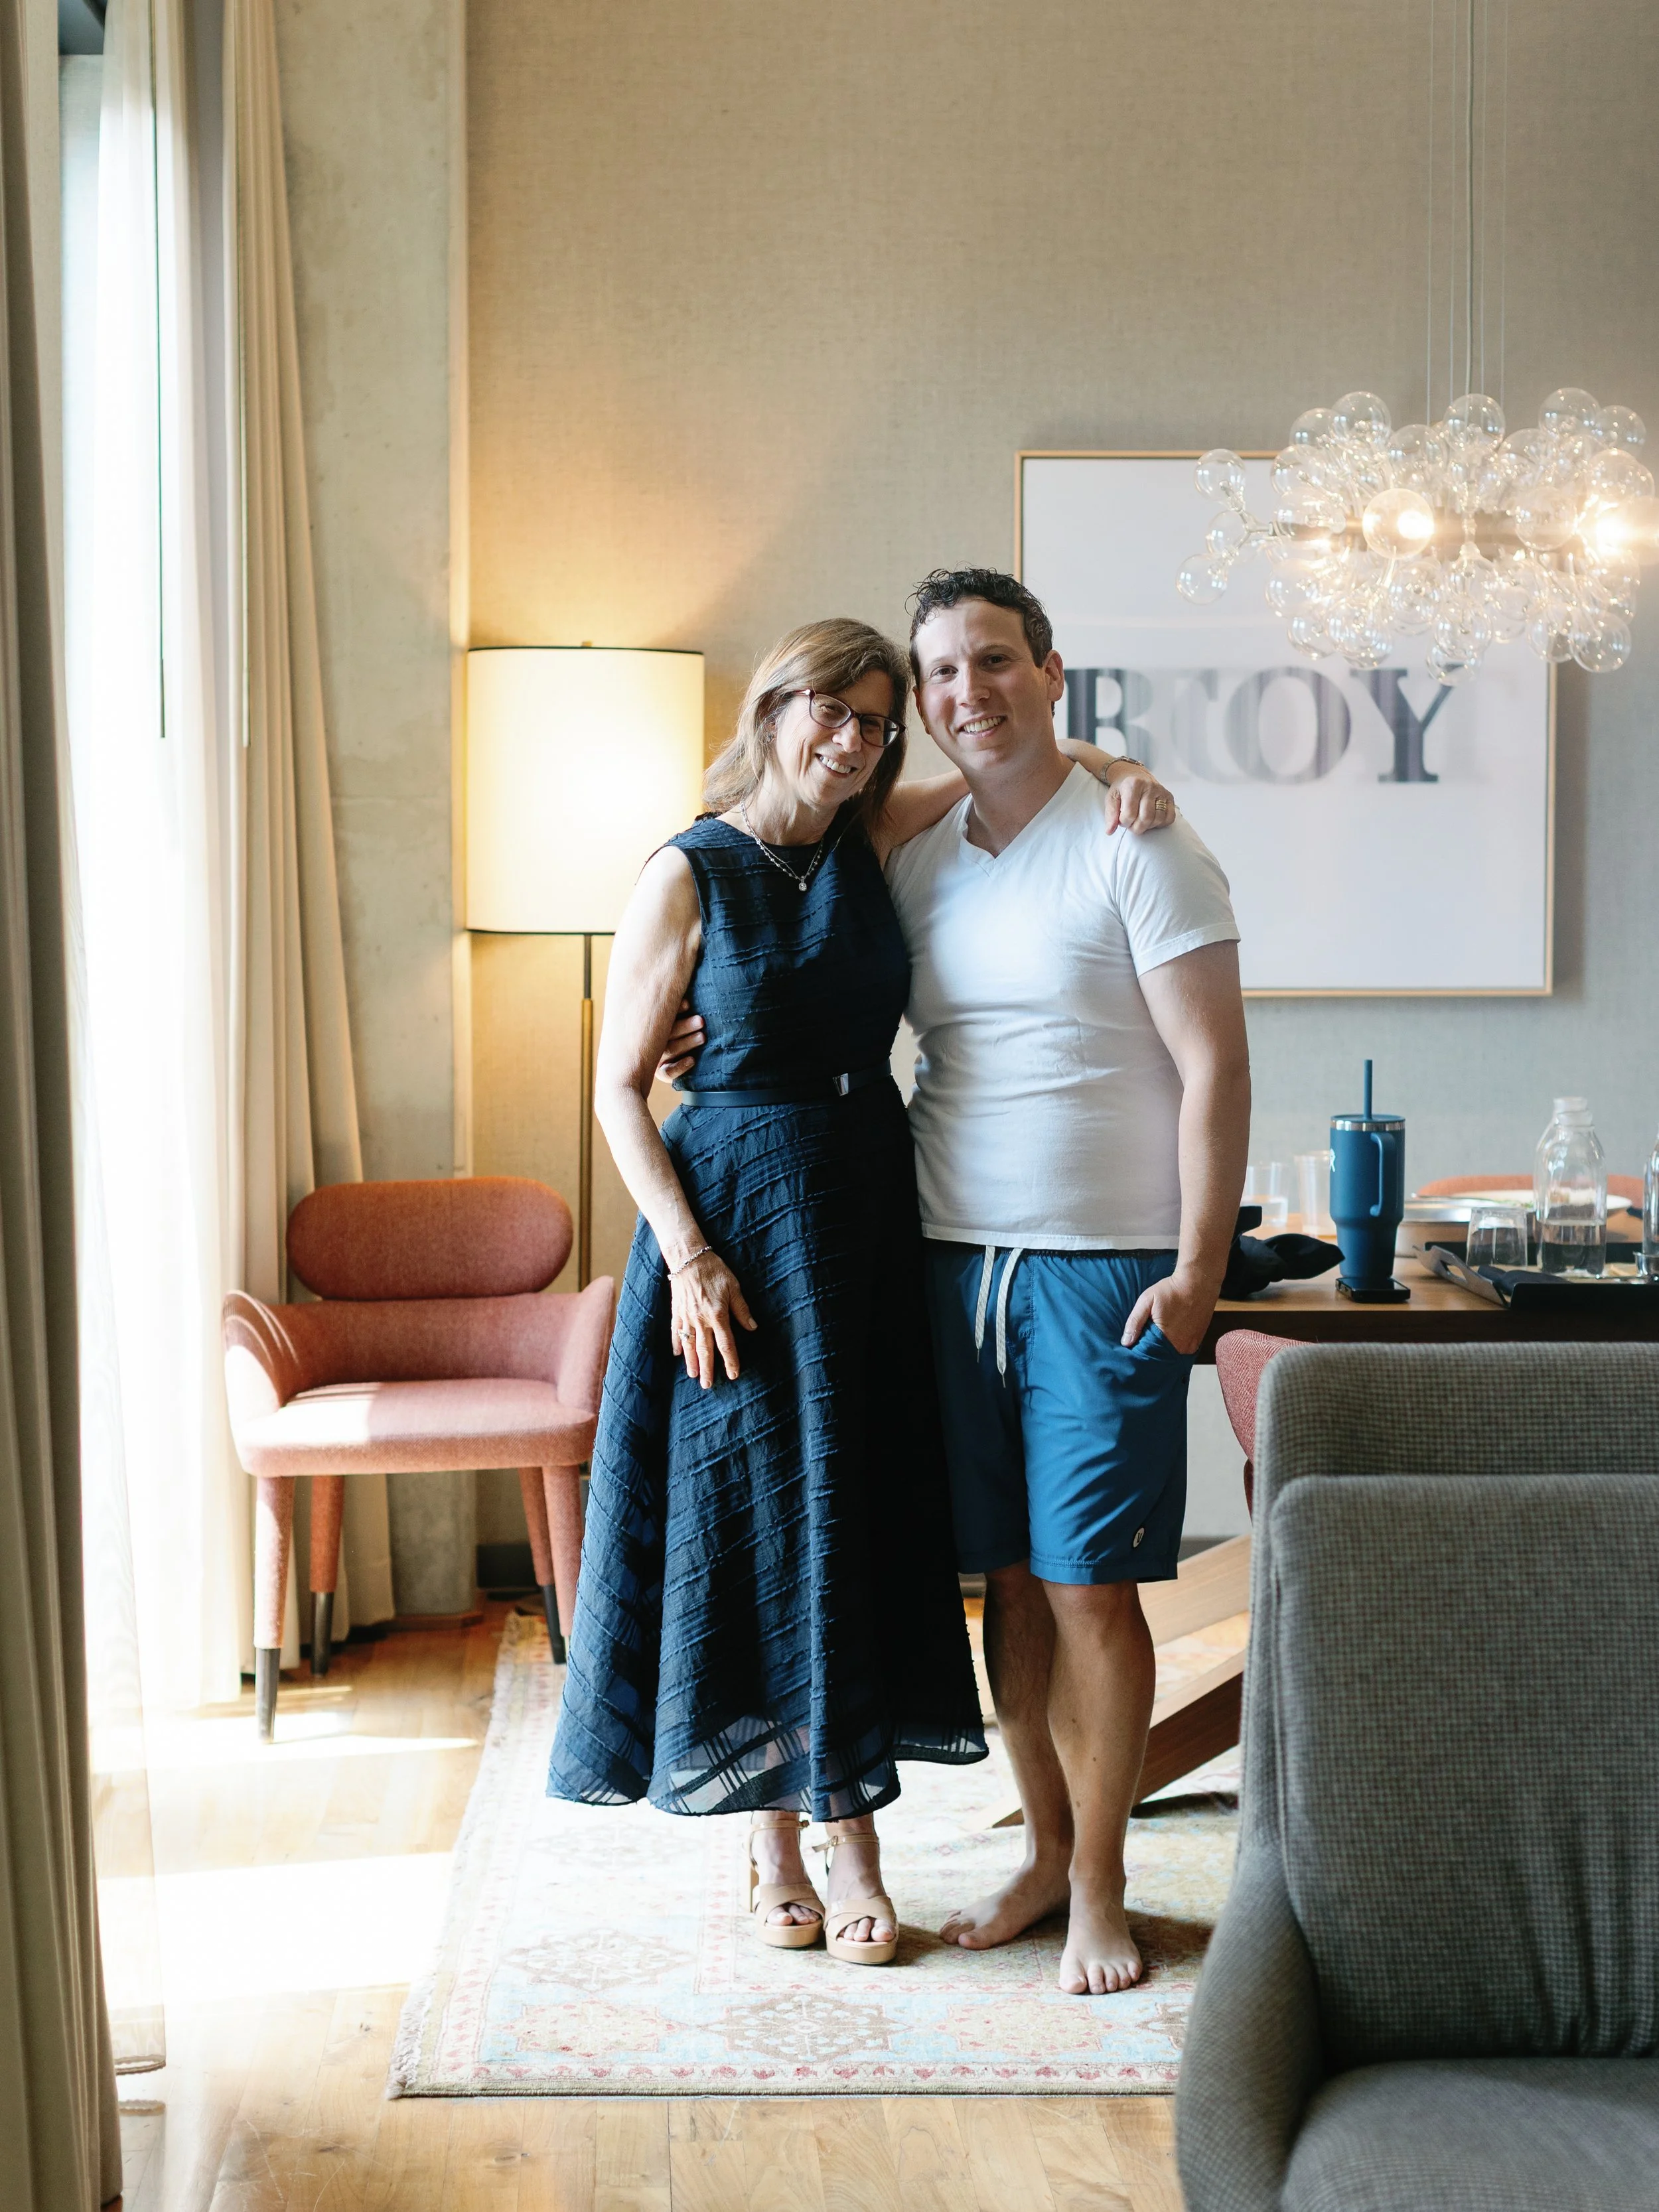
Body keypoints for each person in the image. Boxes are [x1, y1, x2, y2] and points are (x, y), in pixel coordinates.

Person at [547, 615, 1177, 1964]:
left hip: (865, 1212)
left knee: (844, 1514)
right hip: (728, 1216)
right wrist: (693, 1256)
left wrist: (1123, 764)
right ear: (771, 706)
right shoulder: (683, 868)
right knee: (754, 1516)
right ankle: (774, 1843)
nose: (852, 740)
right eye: (829, 711)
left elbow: (1026, 767)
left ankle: (856, 1836)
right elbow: (613, 1089)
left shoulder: (868, 836)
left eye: (875, 722)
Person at [892, 568, 1250, 1998]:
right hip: (946, 1261)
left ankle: (1103, 1880)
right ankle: (1041, 1849)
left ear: (1051, 668)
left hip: (1102, 1273)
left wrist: (1195, 1275)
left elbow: (1215, 1066)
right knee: (1011, 1592)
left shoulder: (1139, 843)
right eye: (939, 673)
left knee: (1094, 1588)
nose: (965, 691)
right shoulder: (916, 853)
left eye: (992, 660)